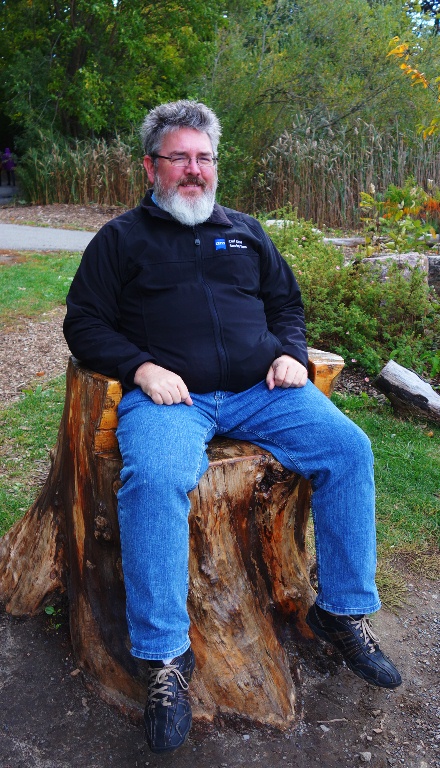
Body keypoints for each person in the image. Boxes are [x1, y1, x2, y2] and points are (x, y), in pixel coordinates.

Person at [63, 100, 401, 755]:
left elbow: (285, 304)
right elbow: (83, 324)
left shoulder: (246, 232)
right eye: (180, 158)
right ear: (151, 166)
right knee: (156, 478)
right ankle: (165, 660)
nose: (194, 170)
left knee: (348, 449)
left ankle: (343, 609)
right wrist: (140, 368)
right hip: (173, 398)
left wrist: (288, 351)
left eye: (204, 158)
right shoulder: (121, 240)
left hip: (261, 390)